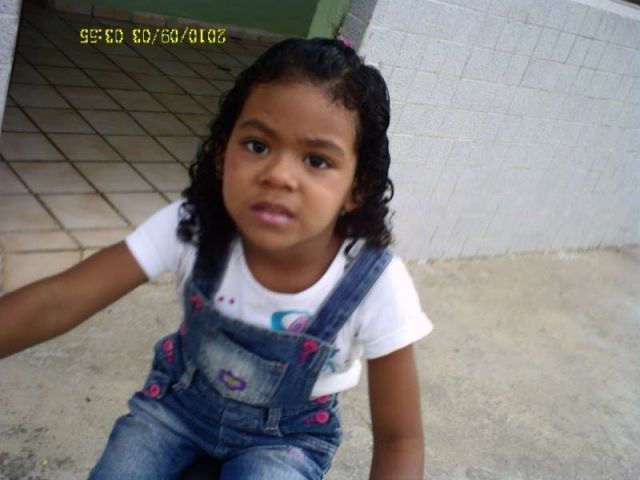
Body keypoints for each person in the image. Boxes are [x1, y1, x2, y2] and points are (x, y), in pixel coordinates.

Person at [0, 37, 432, 479]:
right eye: (257, 146)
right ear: (224, 154)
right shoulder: (194, 227)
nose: (278, 175)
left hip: (286, 441)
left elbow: (399, 439)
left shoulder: (373, 283)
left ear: (357, 188)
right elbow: (59, 300)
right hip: (176, 412)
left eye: (316, 160)